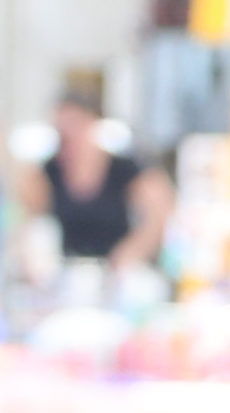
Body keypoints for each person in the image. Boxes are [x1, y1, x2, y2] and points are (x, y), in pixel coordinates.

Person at [39, 64, 164, 271]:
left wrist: (131, 252)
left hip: (115, 275)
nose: (68, 138)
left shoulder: (124, 169)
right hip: (66, 275)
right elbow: (32, 224)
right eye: (62, 133)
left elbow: (160, 214)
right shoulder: (48, 173)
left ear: (92, 124)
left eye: (74, 128)